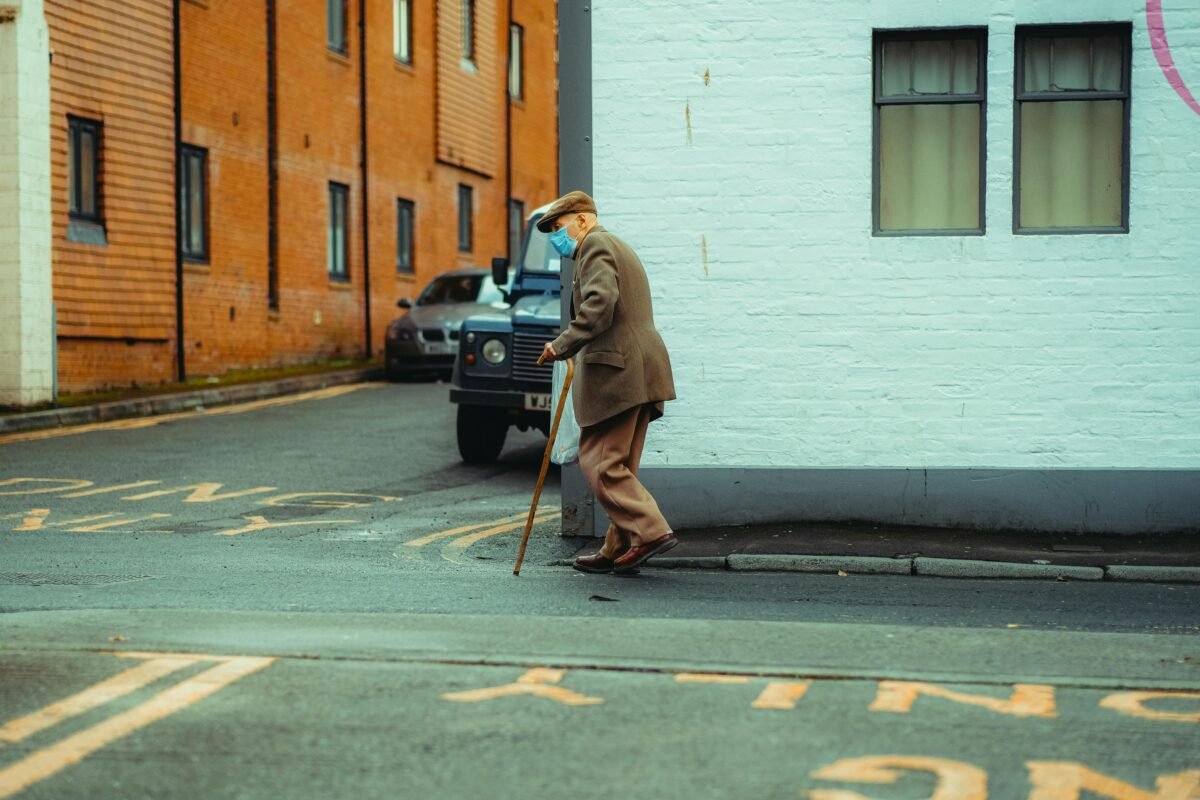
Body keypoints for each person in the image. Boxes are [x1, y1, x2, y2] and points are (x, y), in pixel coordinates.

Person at [537, 191, 678, 575]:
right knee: (621, 466)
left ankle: (650, 531)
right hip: (640, 369)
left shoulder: (595, 244)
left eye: (558, 227)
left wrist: (561, 345)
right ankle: (618, 547)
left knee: (600, 463)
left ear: (582, 220)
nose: (555, 236)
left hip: (618, 370)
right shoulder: (615, 245)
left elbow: (599, 303)